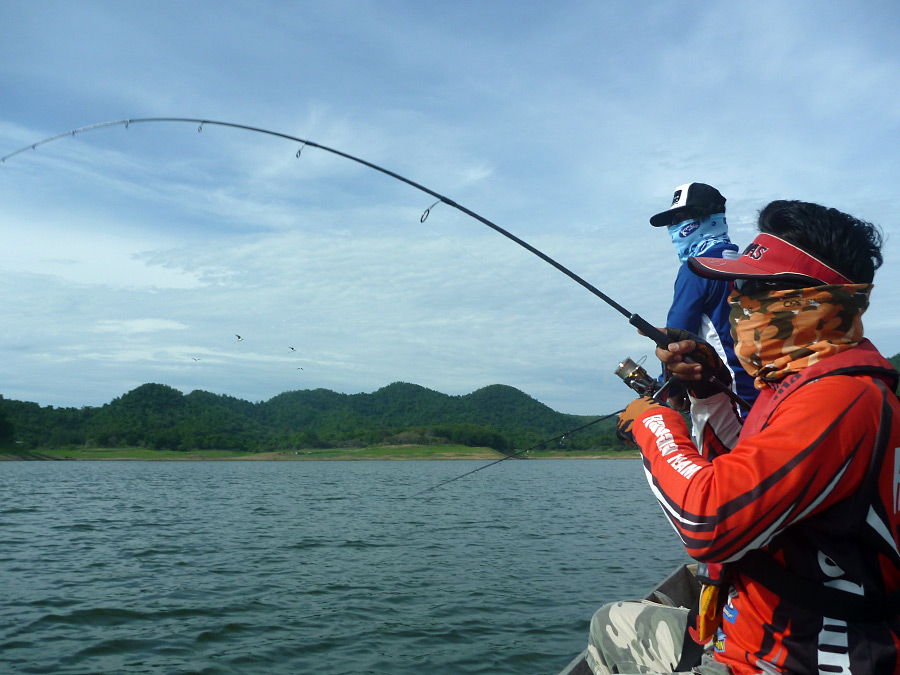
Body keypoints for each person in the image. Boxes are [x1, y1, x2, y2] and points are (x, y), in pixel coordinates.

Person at [588, 200, 900, 674]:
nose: (738, 301)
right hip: (756, 636)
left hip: (793, 659)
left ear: (808, 299)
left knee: (610, 625)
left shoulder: (840, 398)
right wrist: (707, 390)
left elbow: (709, 518)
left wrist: (651, 423)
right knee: (614, 620)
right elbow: (746, 471)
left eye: (754, 288)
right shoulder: (802, 382)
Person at [650, 183, 757, 412]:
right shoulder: (749, 265)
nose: (672, 228)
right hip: (766, 400)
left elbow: (674, 339)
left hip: (729, 403)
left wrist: (673, 392)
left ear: (705, 218)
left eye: (678, 219)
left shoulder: (695, 269)